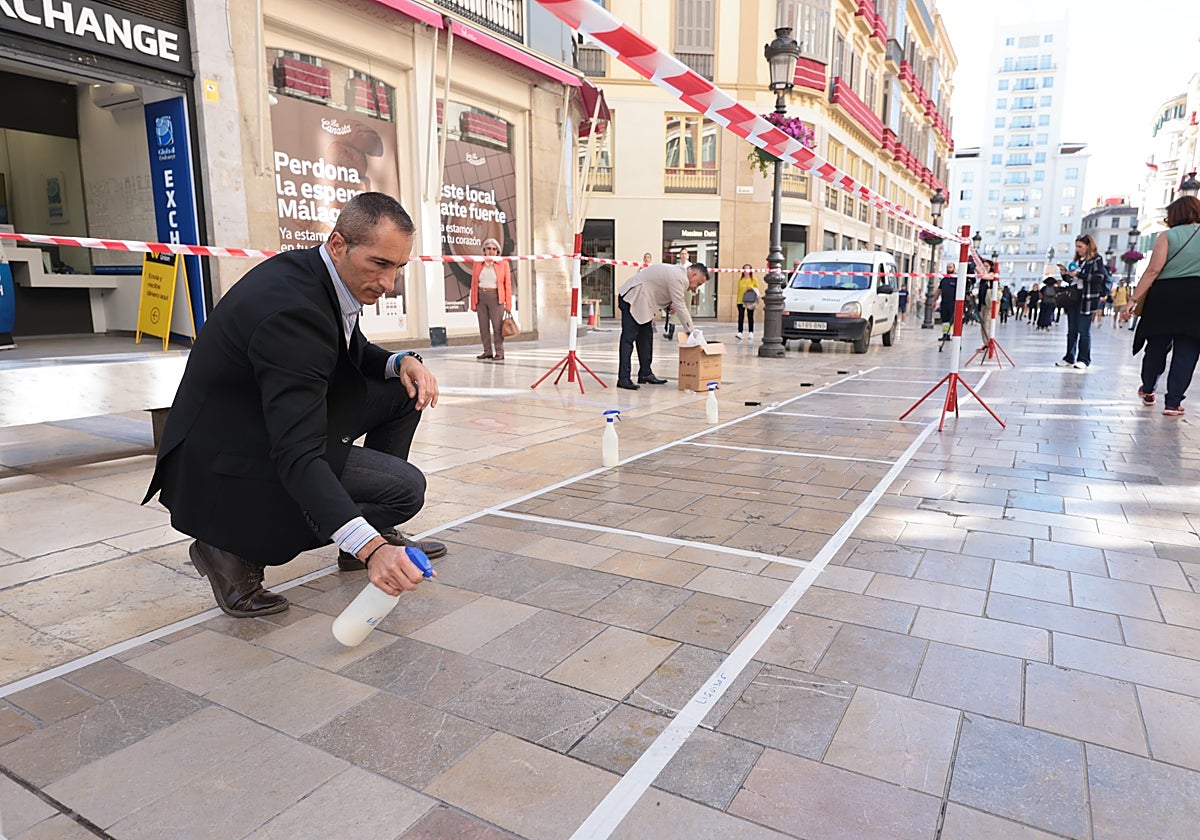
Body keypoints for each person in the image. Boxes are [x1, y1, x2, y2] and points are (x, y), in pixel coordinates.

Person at [144, 193, 443, 618]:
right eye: (380, 264)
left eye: (399, 267)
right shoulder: (293, 313)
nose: (389, 282)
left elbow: (348, 348)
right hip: (230, 458)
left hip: (260, 420)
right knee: (405, 489)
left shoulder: (318, 273)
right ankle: (228, 551)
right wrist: (373, 549)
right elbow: (296, 453)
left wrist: (401, 362)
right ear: (339, 244)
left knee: (400, 388)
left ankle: (358, 536)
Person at [1123, 196, 1200, 416]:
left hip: (1165, 295)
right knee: (1187, 350)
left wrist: (1133, 299)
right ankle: (1173, 404)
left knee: (1156, 345)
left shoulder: (1167, 236)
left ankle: (1148, 389)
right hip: (1196, 295)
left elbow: (1153, 270)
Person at [617, 261, 708, 389]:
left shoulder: (678, 274)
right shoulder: (679, 278)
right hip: (633, 298)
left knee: (646, 339)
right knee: (628, 339)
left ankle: (645, 373)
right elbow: (681, 306)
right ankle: (623, 378)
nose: (695, 287)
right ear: (693, 274)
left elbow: (660, 288)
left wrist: (667, 306)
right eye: (698, 283)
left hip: (643, 301)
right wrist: (692, 332)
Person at [1055, 234, 1108, 370]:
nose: (1078, 249)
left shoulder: (1096, 260)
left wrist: (1079, 274)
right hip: (1074, 298)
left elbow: (1098, 277)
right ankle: (1069, 357)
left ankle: (1084, 359)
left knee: (1084, 331)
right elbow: (1073, 281)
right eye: (1076, 246)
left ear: (1088, 246)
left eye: (1080, 246)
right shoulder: (1078, 261)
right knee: (1071, 330)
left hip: (1087, 299)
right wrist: (1065, 275)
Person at [470, 238, 512, 361]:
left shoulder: (503, 264)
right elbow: (473, 284)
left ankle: (499, 352)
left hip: (496, 297)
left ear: (498, 251)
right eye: (489, 248)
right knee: (483, 327)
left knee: (497, 327)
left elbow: (507, 285)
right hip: (481, 297)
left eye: (494, 249)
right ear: (484, 250)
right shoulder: (478, 263)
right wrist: (473, 303)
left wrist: (508, 304)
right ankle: (487, 351)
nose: (491, 251)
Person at [735, 263, 763, 341]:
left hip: (750, 300)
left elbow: (757, 289)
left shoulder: (753, 280)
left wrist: (751, 288)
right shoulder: (740, 280)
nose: (746, 271)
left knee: (750, 316)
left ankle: (751, 332)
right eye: (744, 269)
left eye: (747, 269)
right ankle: (740, 332)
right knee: (741, 316)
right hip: (741, 300)